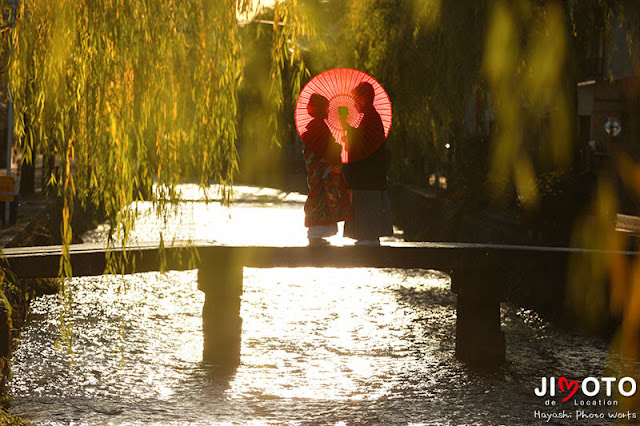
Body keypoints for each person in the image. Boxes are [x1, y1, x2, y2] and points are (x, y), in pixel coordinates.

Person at [340, 82, 393, 246]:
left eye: (356, 99)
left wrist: (345, 124)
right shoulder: (371, 117)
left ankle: (368, 236)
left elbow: (362, 144)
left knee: (366, 204)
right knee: (367, 204)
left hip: (367, 175)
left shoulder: (371, 118)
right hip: (369, 174)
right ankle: (368, 236)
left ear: (364, 99)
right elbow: (361, 140)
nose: (355, 103)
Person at [301, 94, 353, 245]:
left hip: (316, 172)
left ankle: (316, 234)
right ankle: (316, 234)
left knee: (318, 197)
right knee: (322, 199)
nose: (328, 111)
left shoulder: (313, 127)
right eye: (325, 107)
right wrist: (337, 147)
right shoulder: (319, 127)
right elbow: (326, 150)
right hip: (322, 173)